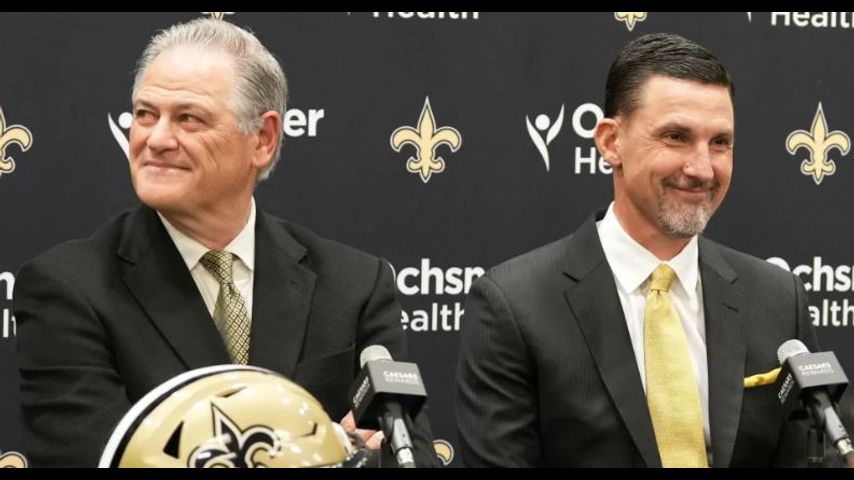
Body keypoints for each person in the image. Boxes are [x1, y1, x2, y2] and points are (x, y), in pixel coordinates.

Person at [14, 18, 436, 468]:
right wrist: (330, 449)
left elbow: (411, 456)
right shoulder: (69, 289)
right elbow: (97, 459)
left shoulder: (354, 284)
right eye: (144, 115)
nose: (156, 139)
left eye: (188, 118)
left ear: (263, 139)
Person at [456, 33, 819, 467]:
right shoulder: (515, 306)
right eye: (676, 136)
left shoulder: (778, 299)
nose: (702, 168)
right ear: (611, 142)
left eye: (720, 142)